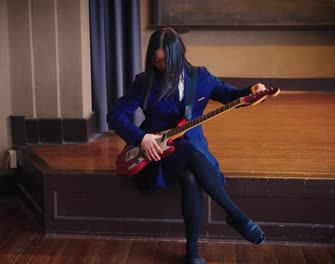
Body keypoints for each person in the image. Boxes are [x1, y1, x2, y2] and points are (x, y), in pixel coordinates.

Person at [107, 27, 266, 264]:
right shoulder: (144, 82)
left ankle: (192, 254)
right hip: (156, 154)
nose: (161, 67)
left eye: (166, 61)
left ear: (180, 54)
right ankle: (235, 215)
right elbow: (115, 116)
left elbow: (231, 96)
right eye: (156, 61)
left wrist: (251, 91)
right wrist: (141, 137)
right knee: (187, 150)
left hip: (193, 153)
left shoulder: (201, 77)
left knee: (191, 176)